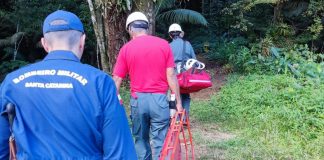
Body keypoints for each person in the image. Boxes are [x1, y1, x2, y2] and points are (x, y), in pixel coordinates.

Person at [0, 10, 137, 159]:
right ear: (82, 41)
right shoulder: (100, 82)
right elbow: (120, 152)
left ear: (45, 44)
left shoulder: (12, 83)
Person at [113, 12, 183, 160]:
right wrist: (178, 102)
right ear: (147, 27)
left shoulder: (126, 49)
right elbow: (171, 75)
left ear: (130, 29)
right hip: (159, 100)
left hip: (138, 101)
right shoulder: (163, 44)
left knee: (140, 139)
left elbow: (117, 79)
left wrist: (113, 102)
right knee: (160, 140)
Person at [168, 23, 196, 122]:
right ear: (180, 33)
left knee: (174, 95)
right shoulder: (187, 44)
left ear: (170, 35)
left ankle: (175, 119)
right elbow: (194, 60)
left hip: (173, 75)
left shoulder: (168, 46)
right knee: (186, 96)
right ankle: (184, 119)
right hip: (185, 75)